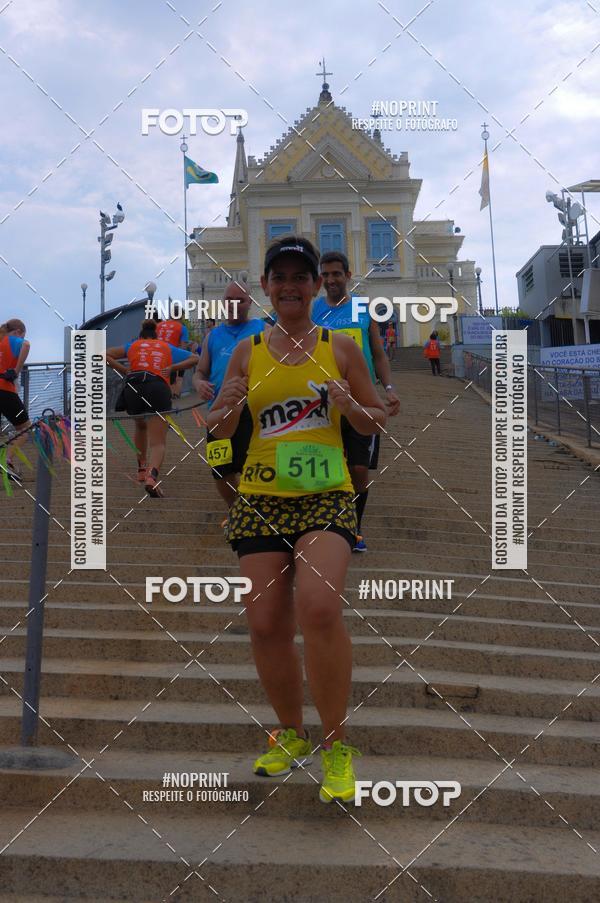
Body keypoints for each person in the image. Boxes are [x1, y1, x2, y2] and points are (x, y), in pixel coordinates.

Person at [207, 236, 387, 804]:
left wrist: (350, 406)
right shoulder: (246, 351)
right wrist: (226, 406)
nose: (290, 286)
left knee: (319, 607)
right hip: (261, 497)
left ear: (314, 286)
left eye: (300, 277)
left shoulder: (341, 347)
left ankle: (336, 745)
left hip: (325, 495)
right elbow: (218, 429)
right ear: (266, 286)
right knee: (264, 624)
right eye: (279, 277)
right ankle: (290, 732)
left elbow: (375, 419)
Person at [311, 251, 400, 552]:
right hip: (322, 401)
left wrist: (389, 388)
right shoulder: (313, 310)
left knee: (359, 469)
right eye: (325, 274)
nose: (331, 280)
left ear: (348, 276)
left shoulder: (363, 308)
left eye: (336, 274)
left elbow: (378, 353)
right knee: (325, 465)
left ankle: (354, 527)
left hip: (361, 399)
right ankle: (324, 525)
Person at [192, 282, 264, 514]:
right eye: (229, 300)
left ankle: (256, 512)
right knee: (220, 468)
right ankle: (237, 511)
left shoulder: (263, 329)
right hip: (219, 412)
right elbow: (200, 372)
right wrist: (199, 383)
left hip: (254, 411)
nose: (234, 305)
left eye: (240, 300)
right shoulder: (213, 336)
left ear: (250, 302)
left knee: (253, 467)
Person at [106, 320, 198, 496]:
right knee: (158, 441)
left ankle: (141, 469)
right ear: (156, 336)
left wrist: (124, 370)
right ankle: (151, 477)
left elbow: (104, 354)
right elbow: (195, 358)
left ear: (140, 336)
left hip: (133, 387)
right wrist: (172, 368)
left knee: (140, 426)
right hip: (157, 386)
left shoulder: (133, 345)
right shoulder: (165, 346)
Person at [0, 318, 32, 480]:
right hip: (5, 391)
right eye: (22, 335)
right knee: (25, 429)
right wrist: (16, 371)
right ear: (18, 332)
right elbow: (26, 345)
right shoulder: (12, 339)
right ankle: (6, 460)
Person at [156, 316, 191, 399]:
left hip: (158, 353)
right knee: (179, 377)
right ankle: (176, 394)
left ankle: (170, 395)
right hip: (173, 354)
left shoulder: (159, 325)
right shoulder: (182, 327)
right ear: (180, 317)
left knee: (168, 377)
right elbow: (183, 346)